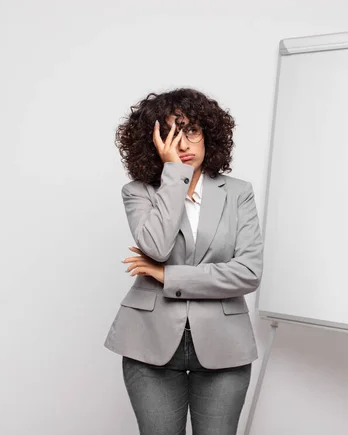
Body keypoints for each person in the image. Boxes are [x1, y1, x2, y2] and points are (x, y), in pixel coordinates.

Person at [104, 87, 264, 435]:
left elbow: (248, 273)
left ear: (209, 133)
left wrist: (167, 277)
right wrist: (173, 174)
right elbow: (157, 246)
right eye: (170, 132)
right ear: (154, 142)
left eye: (191, 129)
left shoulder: (238, 193)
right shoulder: (137, 192)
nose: (183, 143)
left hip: (225, 347)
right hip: (149, 345)